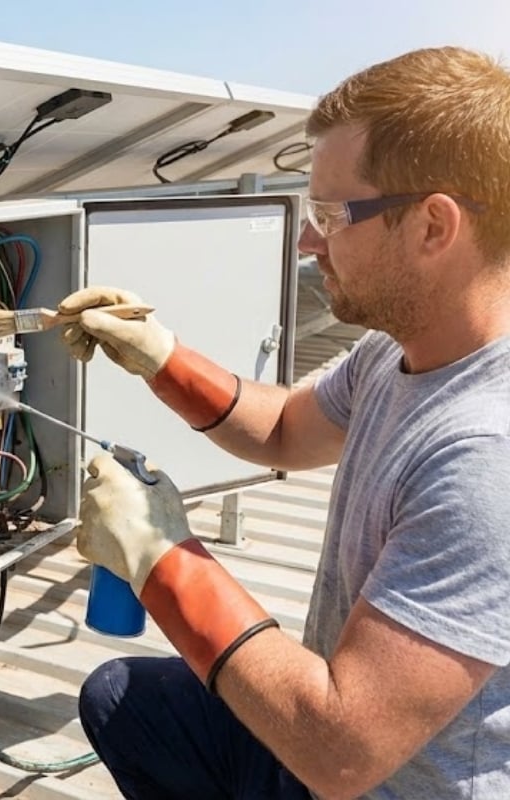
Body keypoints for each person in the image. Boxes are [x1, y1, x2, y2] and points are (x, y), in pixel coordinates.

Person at [60, 46, 510, 800]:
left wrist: (157, 556)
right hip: (323, 744)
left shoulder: (484, 454)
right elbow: (283, 431)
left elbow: (341, 750)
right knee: (123, 702)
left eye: (331, 214)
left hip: (374, 778)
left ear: (435, 226)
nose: (308, 241)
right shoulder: (398, 352)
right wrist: (158, 356)